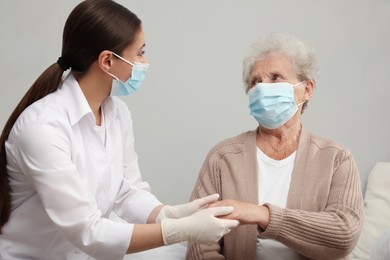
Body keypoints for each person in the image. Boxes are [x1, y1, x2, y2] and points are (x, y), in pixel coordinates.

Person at [0, 1, 239, 259]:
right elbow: (88, 231)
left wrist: (167, 213)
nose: (145, 62)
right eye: (140, 53)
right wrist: (178, 230)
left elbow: (128, 191)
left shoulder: (117, 113)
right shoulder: (42, 127)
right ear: (107, 61)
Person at [186, 33, 364, 260]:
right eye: (255, 82)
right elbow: (198, 240)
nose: (262, 88)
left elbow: (344, 235)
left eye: (276, 77)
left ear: (307, 89)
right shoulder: (223, 157)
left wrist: (263, 215)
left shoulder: (337, 159)